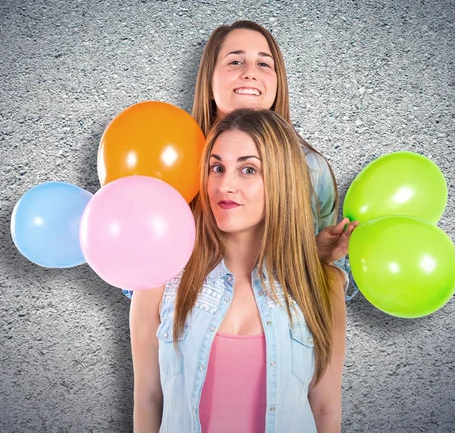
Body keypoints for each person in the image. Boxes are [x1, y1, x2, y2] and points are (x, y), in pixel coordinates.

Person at [130, 108, 347, 432]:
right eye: (217, 167)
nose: (225, 185)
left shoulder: (321, 284)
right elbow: (148, 399)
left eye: (248, 169)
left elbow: (326, 409)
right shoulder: (161, 275)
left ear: (281, 180)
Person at [124, 20, 358, 301]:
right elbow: (137, 280)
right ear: (209, 81)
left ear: (277, 82)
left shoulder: (310, 168)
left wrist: (317, 259)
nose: (250, 73)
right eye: (235, 62)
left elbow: (329, 283)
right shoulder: (169, 160)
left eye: (264, 64)